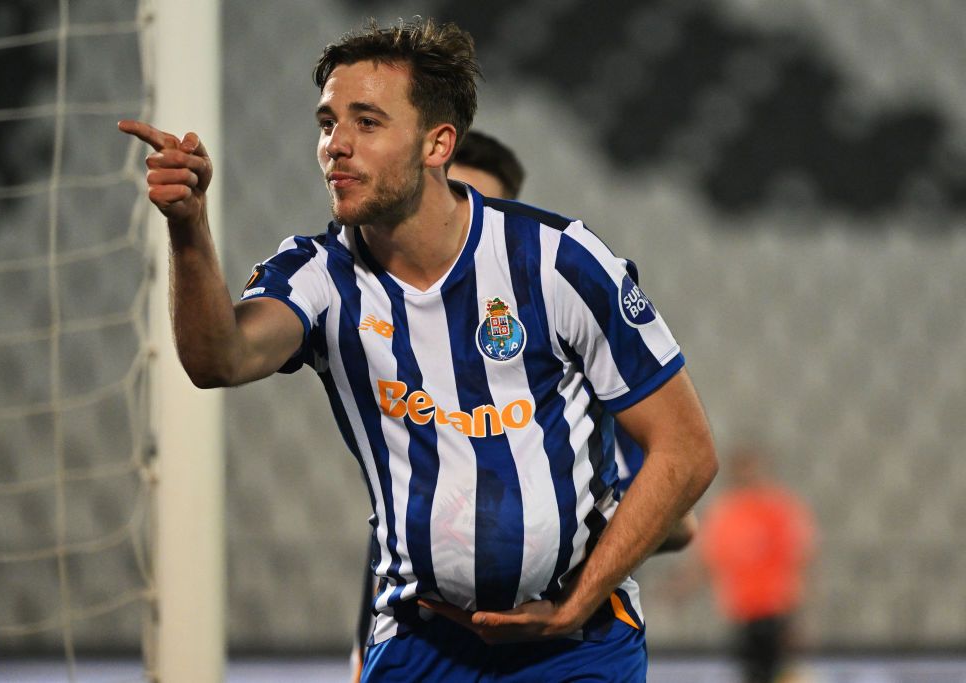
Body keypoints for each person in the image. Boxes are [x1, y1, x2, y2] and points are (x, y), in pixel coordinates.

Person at [119, 17, 717, 682]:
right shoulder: (317, 276)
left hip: (578, 645)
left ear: (437, 144)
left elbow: (686, 449)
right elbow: (218, 359)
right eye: (327, 122)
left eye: (367, 122)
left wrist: (575, 605)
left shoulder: (557, 261)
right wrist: (188, 228)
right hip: (420, 640)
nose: (335, 146)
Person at [348, 130, 699, 680]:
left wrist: (563, 531)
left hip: (563, 639)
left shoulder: (574, 376)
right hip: (423, 636)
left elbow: (680, 518)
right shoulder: (393, 349)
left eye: (472, 206)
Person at [696, 446, 816, 683]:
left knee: (777, 673)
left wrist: (800, 615)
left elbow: (800, 561)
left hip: (775, 610)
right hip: (742, 613)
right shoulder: (726, 513)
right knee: (753, 674)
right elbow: (708, 561)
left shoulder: (777, 509)